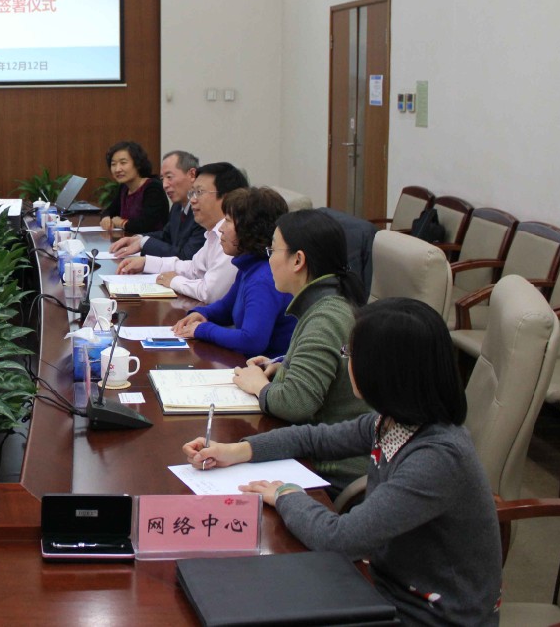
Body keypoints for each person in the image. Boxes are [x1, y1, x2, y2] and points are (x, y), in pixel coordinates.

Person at [183, 298, 502, 626]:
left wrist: (287, 495)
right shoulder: (394, 422)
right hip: (384, 584)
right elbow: (314, 439)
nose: (347, 363)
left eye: (351, 354)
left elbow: (339, 539)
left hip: (431, 616)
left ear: (384, 371)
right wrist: (238, 451)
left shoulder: (436, 458)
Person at [231, 209, 370, 489]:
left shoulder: (325, 318)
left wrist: (259, 386)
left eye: (273, 250)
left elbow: (296, 404)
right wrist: (284, 365)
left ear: (298, 260)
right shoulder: (324, 304)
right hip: (317, 450)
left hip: (331, 469)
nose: (269, 258)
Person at [171, 187, 294, 357]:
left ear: (249, 229)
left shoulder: (263, 278)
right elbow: (226, 308)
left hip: (268, 370)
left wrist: (203, 329)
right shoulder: (249, 267)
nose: (221, 228)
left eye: (228, 221)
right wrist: (202, 314)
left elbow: (252, 341)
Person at [117, 162, 248, 304]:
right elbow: (193, 269)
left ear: (227, 198)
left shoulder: (234, 236)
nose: (193, 200)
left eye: (199, 192)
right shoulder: (213, 233)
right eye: (192, 193)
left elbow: (210, 293)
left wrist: (174, 281)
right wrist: (147, 263)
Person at [108, 150, 206, 260]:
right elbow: (166, 236)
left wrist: (143, 243)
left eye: (169, 177)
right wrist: (138, 238)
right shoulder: (177, 207)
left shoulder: (204, 210)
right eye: (162, 179)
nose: (164, 185)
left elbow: (186, 257)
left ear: (192, 174)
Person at [98, 141, 168, 234]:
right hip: (130, 240)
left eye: (123, 163)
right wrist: (106, 218)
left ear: (138, 164)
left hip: (152, 241)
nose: (117, 169)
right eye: (113, 164)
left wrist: (122, 223)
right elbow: (110, 211)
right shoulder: (124, 187)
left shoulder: (153, 187)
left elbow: (147, 225)